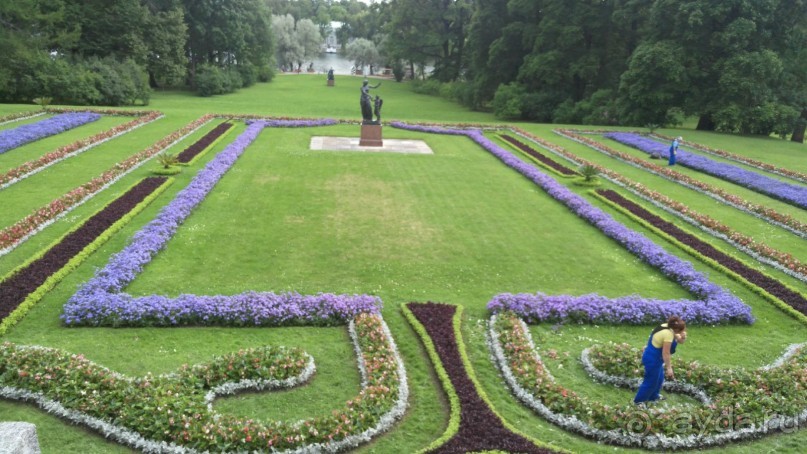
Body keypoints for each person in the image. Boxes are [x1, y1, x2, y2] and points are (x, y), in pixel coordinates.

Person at [634, 316, 687, 405]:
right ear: (675, 329)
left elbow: (680, 340)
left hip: (656, 359)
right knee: (651, 381)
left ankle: (653, 397)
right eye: (679, 331)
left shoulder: (667, 326)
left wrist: (682, 338)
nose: (680, 333)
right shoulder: (668, 334)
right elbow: (666, 353)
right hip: (652, 359)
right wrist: (669, 368)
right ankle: (638, 402)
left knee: (659, 379)